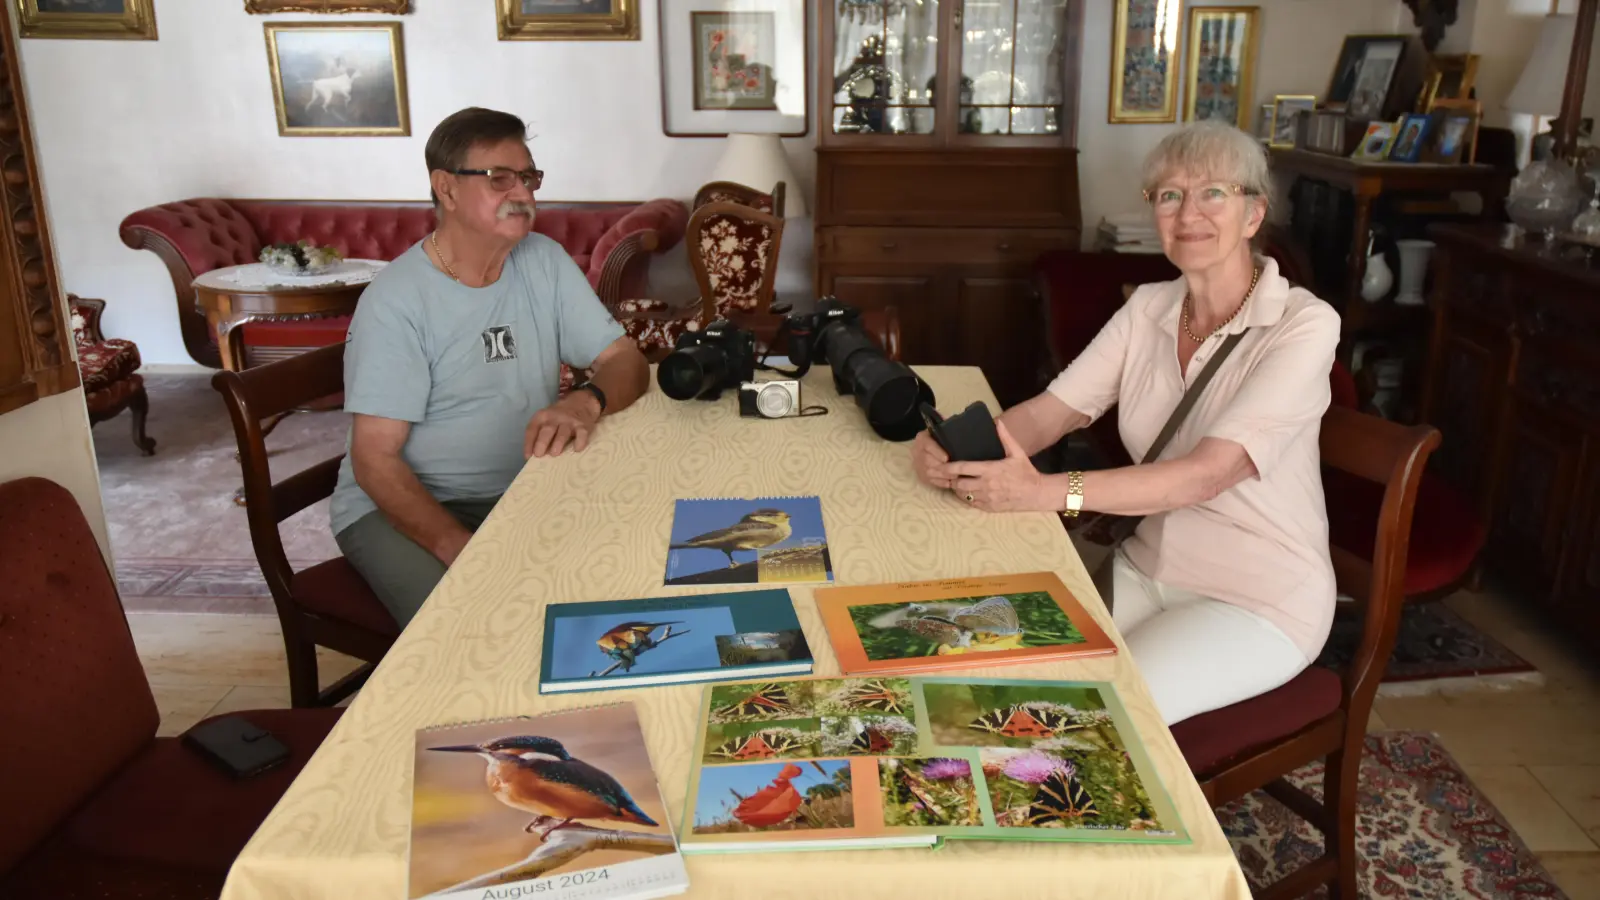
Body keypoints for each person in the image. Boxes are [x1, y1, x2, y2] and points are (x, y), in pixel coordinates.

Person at [910, 121, 1339, 726]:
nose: (1188, 212)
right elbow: (1054, 412)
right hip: (1148, 566)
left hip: (1258, 597)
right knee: (1003, 677)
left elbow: (1205, 477)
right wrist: (966, 450)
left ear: (1253, 214)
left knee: (1095, 717)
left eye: (1213, 192)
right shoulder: (1149, 308)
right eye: (1169, 195)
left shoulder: (1304, 325)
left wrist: (1046, 492)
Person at [330, 107, 649, 627]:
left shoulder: (543, 261)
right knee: (472, 628)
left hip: (524, 490)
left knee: (624, 579)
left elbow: (625, 361)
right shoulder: (397, 300)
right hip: (405, 508)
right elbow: (375, 462)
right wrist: (463, 548)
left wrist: (585, 401)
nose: (522, 194)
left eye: (528, 178)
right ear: (446, 189)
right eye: (500, 179)